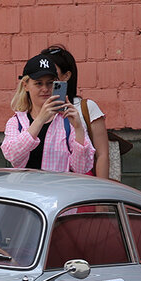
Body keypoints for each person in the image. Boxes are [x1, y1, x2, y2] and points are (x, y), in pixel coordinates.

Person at [2, 54, 95, 173]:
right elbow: (12, 156)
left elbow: (81, 169)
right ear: (26, 86)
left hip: (58, 190)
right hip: (25, 189)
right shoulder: (16, 122)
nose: (45, 89)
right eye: (38, 83)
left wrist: (79, 129)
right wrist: (40, 119)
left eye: (50, 83)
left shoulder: (67, 121)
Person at [41, 45, 113, 180]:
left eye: (52, 72)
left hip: (82, 185)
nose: (47, 77)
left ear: (66, 75)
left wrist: (102, 194)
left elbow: (102, 155)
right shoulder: (35, 111)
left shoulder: (87, 108)